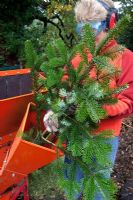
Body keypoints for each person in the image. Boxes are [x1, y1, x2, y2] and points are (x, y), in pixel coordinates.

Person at [43, 0, 133, 199]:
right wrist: (55, 110)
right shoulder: (77, 55)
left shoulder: (125, 58)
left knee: (98, 189)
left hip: (104, 138)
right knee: (71, 184)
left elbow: (128, 102)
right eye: (82, 29)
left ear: (110, 23)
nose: (87, 37)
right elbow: (65, 88)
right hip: (74, 134)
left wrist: (92, 108)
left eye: (92, 28)